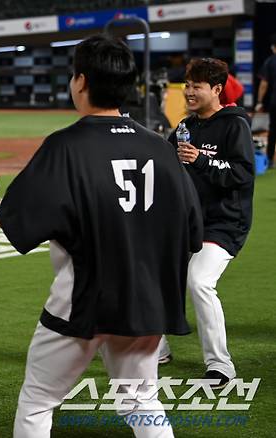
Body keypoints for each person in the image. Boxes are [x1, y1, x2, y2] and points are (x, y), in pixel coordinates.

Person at [0, 34, 203, 438]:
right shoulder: (160, 148)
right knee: (141, 399)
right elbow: (193, 232)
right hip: (146, 303)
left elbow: (23, 222)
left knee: (38, 401)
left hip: (82, 302)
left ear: (81, 82)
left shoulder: (65, 146)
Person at [159, 58, 254, 389]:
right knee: (152, 271)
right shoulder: (187, 127)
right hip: (188, 222)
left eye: (196, 86)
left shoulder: (234, 125)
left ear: (216, 89)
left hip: (224, 223)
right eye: (187, 85)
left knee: (199, 281)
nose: (188, 91)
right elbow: (165, 165)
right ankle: (156, 348)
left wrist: (202, 159)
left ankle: (220, 365)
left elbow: (242, 173)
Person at [255, 33, 276, 168]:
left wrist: (259, 102)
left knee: (273, 130)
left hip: (275, 102)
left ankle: (269, 160)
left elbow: (264, 84)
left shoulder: (270, 61)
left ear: (273, 47)